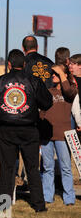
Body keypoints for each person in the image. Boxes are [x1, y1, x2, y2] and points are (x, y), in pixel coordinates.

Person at [0, 49, 53, 213]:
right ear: (24, 64)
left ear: (8, 64)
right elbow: (47, 102)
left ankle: (4, 207)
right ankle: (39, 206)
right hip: (29, 130)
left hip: (6, 130)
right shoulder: (34, 81)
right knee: (32, 170)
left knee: (6, 169)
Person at [39, 65, 76, 206]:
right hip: (46, 136)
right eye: (52, 73)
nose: (52, 75)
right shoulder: (49, 91)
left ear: (63, 75)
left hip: (63, 135)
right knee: (48, 167)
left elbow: (68, 91)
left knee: (65, 167)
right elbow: (42, 112)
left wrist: (62, 73)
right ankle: (48, 196)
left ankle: (69, 198)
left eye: (55, 73)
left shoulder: (70, 91)